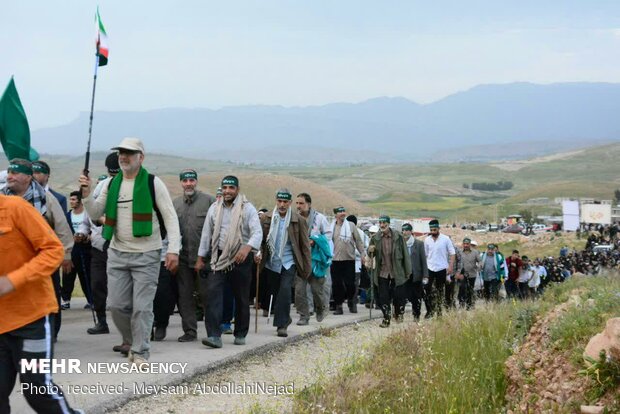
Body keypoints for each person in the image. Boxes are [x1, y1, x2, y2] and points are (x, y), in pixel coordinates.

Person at [80, 137, 181, 365]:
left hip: (147, 254)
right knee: (116, 305)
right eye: (121, 153)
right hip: (117, 253)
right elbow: (96, 214)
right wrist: (87, 195)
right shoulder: (110, 184)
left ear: (141, 157)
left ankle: (140, 351)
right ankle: (131, 339)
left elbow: (171, 218)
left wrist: (173, 250)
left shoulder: (153, 183)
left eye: (129, 153)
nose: (123, 157)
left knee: (142, 308)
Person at [0, 194, 83, 413]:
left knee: (37, 390)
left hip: (31, 319)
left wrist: (13, 280)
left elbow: (53, 250)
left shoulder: (15, 208)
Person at [3, 159, 74, 341]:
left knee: (50, 296)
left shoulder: (45, 198)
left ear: (28, 177)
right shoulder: (3, 199)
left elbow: (62, 227)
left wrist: (66, 255)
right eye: (9, 172)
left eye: (16, 172)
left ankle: (49, 334)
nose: (10, 176)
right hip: (12, 263)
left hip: (42, 260)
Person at [196, 175, 262, 348]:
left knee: (241, 298)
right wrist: (201, 258)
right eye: (224, 187)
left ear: (237, 190)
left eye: (231, 188)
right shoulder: (214, 208)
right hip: (218, 258)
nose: (227, 191)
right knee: (213, 295)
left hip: (241, 257)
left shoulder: (247, 209)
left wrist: (247, 248)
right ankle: (214, 336)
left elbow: (257, 233)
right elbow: (206, 234)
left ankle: (240, 333)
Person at [260, 189, 311, 337]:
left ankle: (281, 325)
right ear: (276, 201)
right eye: (279, 201)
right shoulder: (266, 218)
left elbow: (305, 246)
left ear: (289, 203)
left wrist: (306, 268)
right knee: (275, 293)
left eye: (285, 202)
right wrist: (258, 253)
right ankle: (285, 317)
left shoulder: (298, 220)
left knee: (285, 292)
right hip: (271, 262)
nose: (282, 205)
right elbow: (261, 240)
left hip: (288, 263)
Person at [173, 169, 216, 342]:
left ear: (196, 182)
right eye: (185, 181)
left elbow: (217, 229)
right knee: (184, 296)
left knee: (207, 296)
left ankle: (213, 332)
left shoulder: (209, 202)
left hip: (204, 259)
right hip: (182, 258)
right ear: (181, 183)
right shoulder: (174, 204)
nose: (189, 183)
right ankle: (190, 331)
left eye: (192, 180)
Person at [83, 153, 120, 336]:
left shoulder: (130, 186)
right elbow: (91, 212)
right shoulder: (101, 187)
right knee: (97, 283)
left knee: (123, 288)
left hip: (121, 244)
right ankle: (101, 321)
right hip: (100, 245)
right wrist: (84, 231)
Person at [295, 192, 332, 325]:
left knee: (317, 289)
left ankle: (320, 308)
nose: (298, 206)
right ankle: (304, 316)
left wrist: (315, 240)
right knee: (299, 290)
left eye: (301, 203)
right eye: (297, 203)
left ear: (309, 204)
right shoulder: (294, 218)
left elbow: (328, 235)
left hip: (315, 260)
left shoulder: (319, 218)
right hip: (300, 260)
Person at [368, 216, 411, 327]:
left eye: (384, 223)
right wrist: (370, 250)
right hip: (382, 272)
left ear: (388, 223)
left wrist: (408, 270)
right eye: (380, 223)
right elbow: (370, 253)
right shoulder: (375, 238)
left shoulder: (398, 236)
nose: (382, 225)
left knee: (398, 296)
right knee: (383, 297)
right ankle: (386, 318)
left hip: (396, 271)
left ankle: (398, 314)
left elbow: (405, 254)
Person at [330, 206, 366, 315]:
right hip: (335, 260)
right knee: (337, 285)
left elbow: (358, 241)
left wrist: (363, 254)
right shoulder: (331, 227)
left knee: (350, 284)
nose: (342, 213)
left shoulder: (351, 226)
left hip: (349, 260)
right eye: (339, 212)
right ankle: (338, 306)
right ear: (335, 214)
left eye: (343, 211)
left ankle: (351, 301)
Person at [61, 191, 93, 310]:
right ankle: (66, 300)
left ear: (80, 200)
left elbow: (93, 229)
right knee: (67, 275)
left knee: (86, 276)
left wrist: (87, 237)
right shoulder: (67, 216)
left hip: (85, 250)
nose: (71, 202)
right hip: (70, 250)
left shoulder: (87, 215)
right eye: (70, 199)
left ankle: (91, 300)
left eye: (74, 199)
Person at [423, 219, 455, 317]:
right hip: (430, 268)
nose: (433, 232)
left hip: (441, 268)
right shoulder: (427, 240)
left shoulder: (446, 239)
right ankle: (430, 310)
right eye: (431, 230)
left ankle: (439, 312)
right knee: (427, 289)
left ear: (438, 228)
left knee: (440, 290)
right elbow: (425, 255)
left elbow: (452, 253)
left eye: (434, 230)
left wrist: (450, 266)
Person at [402, 223, 428, 321]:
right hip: (404, 275)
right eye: (403, 230)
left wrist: (425, 275)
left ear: (411, 231)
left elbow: (423, 261)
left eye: (406, 230)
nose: (404, 232)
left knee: (416, 296)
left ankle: (416, 315)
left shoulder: (419, 244)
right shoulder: (401, 244)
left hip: (416, 274)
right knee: (402, 295)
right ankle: (400, 314)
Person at [457, 237, 480, 309]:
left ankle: (469, 305)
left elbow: (480, 261)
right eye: (464, 244)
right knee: (462, 288)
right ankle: (461, 304)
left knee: (470, 290)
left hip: (472, 274)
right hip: (462, 274)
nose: (466, 245)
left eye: (467, 244)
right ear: (462, 244)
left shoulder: (475, 252)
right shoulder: (459, 252)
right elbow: (456, 261)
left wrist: (480, 266)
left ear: (470, 244)